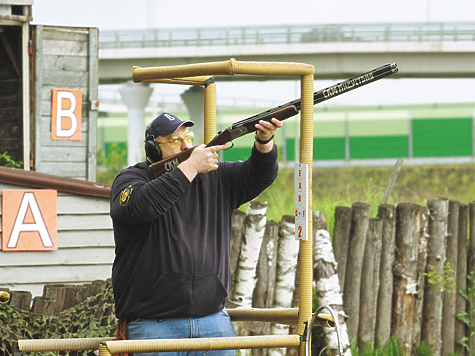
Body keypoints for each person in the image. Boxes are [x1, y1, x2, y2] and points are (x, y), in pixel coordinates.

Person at [110, 112, 283, 356]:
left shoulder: (214, 176)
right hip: (153, 325)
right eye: (174, 140)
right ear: (152, 148)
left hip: (213, 319)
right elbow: (142, 206)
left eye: (187, 136)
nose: (186, 145)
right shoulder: (132, 178)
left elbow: (258, 175)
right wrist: (189, 167)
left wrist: (264, 142)